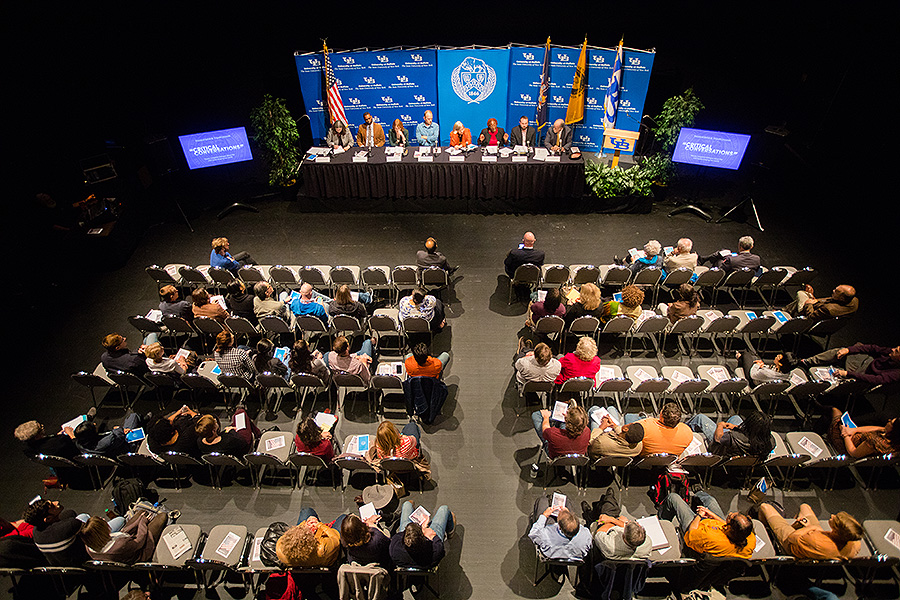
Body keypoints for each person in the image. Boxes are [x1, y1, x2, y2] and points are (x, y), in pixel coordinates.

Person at [658, 489, 755, 558]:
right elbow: (727, 525)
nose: (730, 513)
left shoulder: (710, 538)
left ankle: (661, 524)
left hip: (696, 528)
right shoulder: (749, 539)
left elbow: (691, 532)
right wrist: (712, 515)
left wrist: (699, 515)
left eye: (731, 517)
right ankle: (698, 491)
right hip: (713, 525)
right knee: (711, 501)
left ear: (729, 527)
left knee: (673, 497)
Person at [757, 503, 862, 559]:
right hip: (814, 539)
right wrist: (812, 528)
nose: (832, 516)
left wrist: (810, 528)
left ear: (836, 531)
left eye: (834, 519)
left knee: (765, 507)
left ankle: (766, 530)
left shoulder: (815, 540)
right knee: (805, 507)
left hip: (793, 544)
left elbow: (792, 538)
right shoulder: (854, 543)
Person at [79, 510, 168, 564]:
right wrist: (142, 523)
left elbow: (121, 533)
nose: (104, 519)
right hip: (139, 553)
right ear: (101, 531)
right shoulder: (120, 545)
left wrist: (137, 522)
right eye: (102, 522)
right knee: (162, 516)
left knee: (141, 512)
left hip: (126, 546)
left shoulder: (89, 546)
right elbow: (140, 541)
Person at [586, 487, 652, 559]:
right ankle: (605, 502)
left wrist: (612, 520)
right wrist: (620, 522)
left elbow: (600, 532)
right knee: (608, 510)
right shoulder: (647, 544)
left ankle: (590, 514)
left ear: (623, 535)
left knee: (607, 512)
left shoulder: (610, 545)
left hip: (602, 541)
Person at [24, 500, 90, 566]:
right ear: (48, 519)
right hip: (80, 562)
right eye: (53, 506)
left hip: (60, 566)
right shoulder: (70, 525)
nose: (56, 502)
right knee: (84, 516)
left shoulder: (36, 533)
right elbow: (71, 516)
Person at [390, 501, 454, 568]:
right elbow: (440, 551)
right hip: (426, 564)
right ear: (424, 536)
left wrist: (421, 528)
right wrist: (432, 535)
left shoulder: (394, 547)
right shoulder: (435, 551)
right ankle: (450, 532)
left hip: (407, 562)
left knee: (407, 504)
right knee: (444, 509)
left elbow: (400, 535)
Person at [687, 410, 774, 459]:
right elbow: (751, 434)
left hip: (721, 447)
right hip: (742, 452)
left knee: (700, 418)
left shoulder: (732, 437)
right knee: (736, 418)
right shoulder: (770, 441)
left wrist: (720, 425)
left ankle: (683, 430)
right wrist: (737, 427)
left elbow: (718, 439)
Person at [800, 343, 899, 386]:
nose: (893, 349)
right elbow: (871, 348)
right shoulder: (890, 352)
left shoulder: (896, 373)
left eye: (896, 351)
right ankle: (806, 362)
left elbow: (876, 380)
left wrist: (848, 373)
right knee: (839, 351)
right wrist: (848, 350)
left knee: (838, 375)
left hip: (863, 375)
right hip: (863, 361)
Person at [528, 494, 591, 560]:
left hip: (551, 555)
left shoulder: (546, 536)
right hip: (574, 558)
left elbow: (533, 533)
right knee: (567, 502)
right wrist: (568, 516)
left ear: (559, 527)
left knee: (542, 500)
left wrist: (544, 515)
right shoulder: (586, 535)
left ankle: (549, 497)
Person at [276, 507, 341, 567]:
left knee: (306, 511)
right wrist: (319, 525)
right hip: (325, 560)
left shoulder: (281, 549)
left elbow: (285, 536)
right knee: (343, 518)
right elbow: (335, 537)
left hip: (302, 562)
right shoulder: (322, 548)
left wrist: (304, 525)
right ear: (311, 539)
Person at [827, 407, 898, 458]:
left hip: (845, 444)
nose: (889, 420)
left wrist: (845, 434)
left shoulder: (874, 443)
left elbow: (853, 452)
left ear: (893, 430)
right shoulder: (893, 440)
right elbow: (879, 428)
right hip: (852, 436)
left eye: (891, 423)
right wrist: (854, 430)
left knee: (835, 411)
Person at [195, 407, 259, 457]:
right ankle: (258, 434)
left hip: (231, 447)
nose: (215, 420)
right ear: (213, 430)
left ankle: (257, 433)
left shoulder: (200, 442)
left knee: (236, 421)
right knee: (240, 413)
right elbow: (243, 443)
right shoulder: (228, 440)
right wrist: (232, 430)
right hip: (243, 443)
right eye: (215, 422)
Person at [74, 412, 144, 457]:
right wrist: (120, 429)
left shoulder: (80, 443)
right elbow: (120, 436)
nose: (95, 424)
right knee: (134, 416)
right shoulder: (107, 441)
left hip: (111, 449)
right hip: (123, 447)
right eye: (93, 426)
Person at [787, 284, 859, 323]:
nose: (833, 291)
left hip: (810, 320)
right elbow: (829, 300)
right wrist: (812, 296)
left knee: (801, 294)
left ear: (842, 298)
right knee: (805, 296)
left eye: (836, 291)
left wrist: (809, 304)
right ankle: (786, 311)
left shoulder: (828, 309)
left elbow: (810, 317)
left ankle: (786, 314)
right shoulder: (854, 301)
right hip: (820, 313)